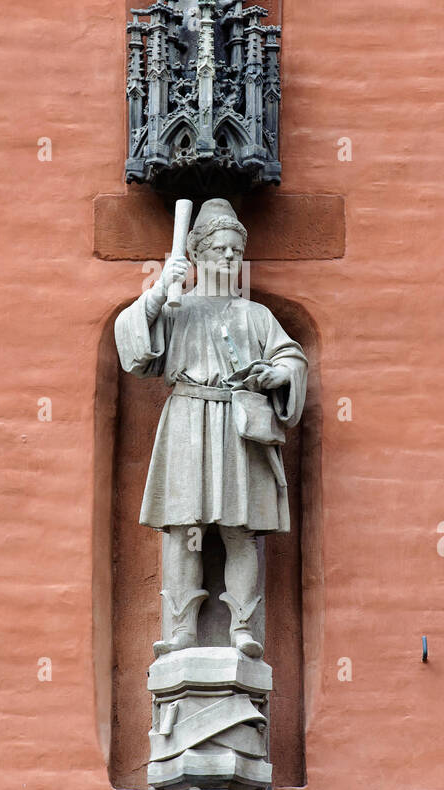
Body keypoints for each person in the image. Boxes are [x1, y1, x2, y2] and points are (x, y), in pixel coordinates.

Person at [114, 198, 308, 658]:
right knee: (185, 528)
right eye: (219, 249)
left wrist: (278, 375)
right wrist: (161, 287)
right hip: (187, 418)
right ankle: (182, 627)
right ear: (198, 253)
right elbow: (135, 351)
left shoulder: (254, 314)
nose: (228, 258)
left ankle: (242, 625)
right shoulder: (176, 307)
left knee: (240, 530)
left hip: (237, 424)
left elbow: (290, 357)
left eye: (235, 251)